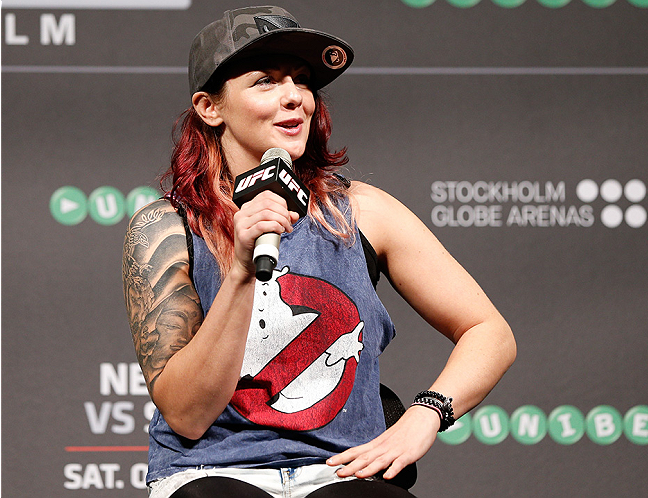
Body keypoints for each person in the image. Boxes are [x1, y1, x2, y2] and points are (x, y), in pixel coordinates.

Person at [122, 6, 516, 498]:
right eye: (266, 81)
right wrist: (242, 273)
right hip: (211, 474)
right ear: (210, 107)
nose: (294, 98)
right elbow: (186, 413)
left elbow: (489, 332)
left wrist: (426, 414)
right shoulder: (166, 227)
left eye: (303, 81)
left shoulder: (361, 211)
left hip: (342, 471)